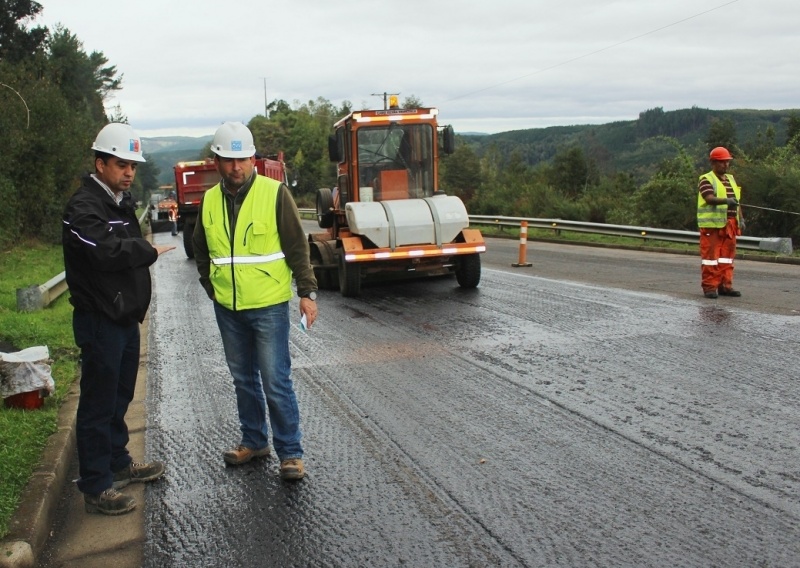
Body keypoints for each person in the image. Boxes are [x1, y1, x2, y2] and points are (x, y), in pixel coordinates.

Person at [192, 122, 318, 481]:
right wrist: (210, 286)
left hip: (268, 305)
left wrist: (307, 292)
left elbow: (298, 247)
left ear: (253, 159)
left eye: (243, 159)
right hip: (227, 308)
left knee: (275, 379)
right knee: (242, 379)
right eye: (229, 160)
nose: (237, 167)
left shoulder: (275, 193)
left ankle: (290, 453)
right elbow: (201, 250)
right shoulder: (210, 200)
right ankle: (254, 440)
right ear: (217, 161)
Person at [62, 122, 175, 515]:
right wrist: (145, 250)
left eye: (133, 165)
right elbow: (103, 251)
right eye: (122, 164)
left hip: (124, 317)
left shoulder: (118, 202)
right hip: (100, 320)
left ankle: (117, 462)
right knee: (97, 403)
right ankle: (96, 485)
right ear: (101, 163)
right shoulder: (84, 207)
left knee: (119, 397)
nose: (129, 172)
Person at [697, 146, 745, 299]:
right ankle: (710, 288)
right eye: (722, 162)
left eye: (727, 162)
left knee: (727, 258)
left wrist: (741, 219)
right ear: (713, 163)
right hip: (712, 226)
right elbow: (709, 198)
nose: (725, 165)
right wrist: (726, 201)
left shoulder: (731, 179)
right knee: (711, 259)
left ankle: (725, 286)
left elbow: (737, 202)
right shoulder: (706, 179)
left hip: (730, 225)